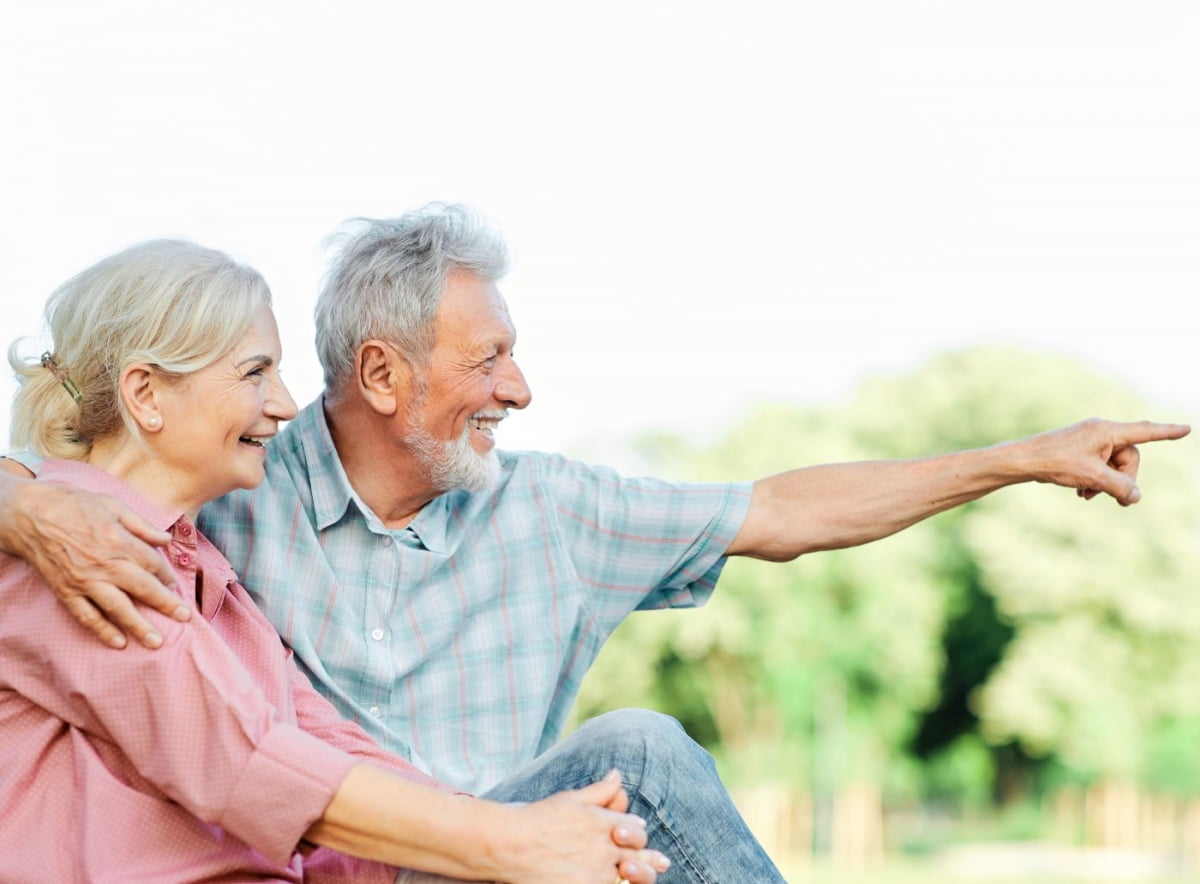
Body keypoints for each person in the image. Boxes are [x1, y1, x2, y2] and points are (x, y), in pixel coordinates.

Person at [0, 206, 1189, 861]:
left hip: (464, 848)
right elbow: (252, 756)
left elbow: (782, 508)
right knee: (646, 751)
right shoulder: (209, 503)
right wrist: (28, 504)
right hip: (391, 853)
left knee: (634, 767)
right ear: (380, 372)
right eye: (491, 358)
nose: (521, 389)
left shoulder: (549, 509)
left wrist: (1017, 456)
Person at [0, 237, 770, 883]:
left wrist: (521, 827)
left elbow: (319, 738)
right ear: (146, 394)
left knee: (620, 778)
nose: (284, 404)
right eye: (254, 372)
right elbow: (243, 762)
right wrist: (514, 843)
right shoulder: (74, 550)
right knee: (637, 767)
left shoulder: (199, 563)